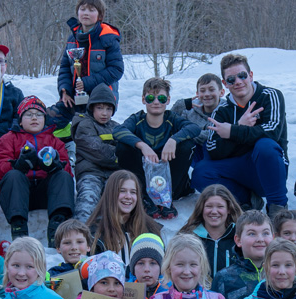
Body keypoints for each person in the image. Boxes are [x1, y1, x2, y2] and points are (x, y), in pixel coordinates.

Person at [191, 53, 289, 211]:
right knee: (201, 173)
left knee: (265, 145)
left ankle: (278, 208)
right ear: (225, 83)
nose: (237, 82)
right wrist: (240, 126)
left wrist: (232, 131)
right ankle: (245, 200)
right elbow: (213, 151)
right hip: (239, 169)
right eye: (231, 79)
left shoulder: (270, 96)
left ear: (250, 76)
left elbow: (272, 133)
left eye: (242, 76)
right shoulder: (222, 110)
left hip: (271, 171)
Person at [0, 96, 74, 242]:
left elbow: (67, 171)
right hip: (19, 195)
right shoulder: (9, 139)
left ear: (45, 119)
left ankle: (57, 227)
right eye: (29, 114)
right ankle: (19, 228)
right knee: (13, 176)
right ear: (20, 120)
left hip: (47, 194)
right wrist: (18, 165)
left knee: (62, 176)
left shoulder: (55, 141)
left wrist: (55, 166)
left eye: (39, 115)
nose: (34, 118)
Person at [118, 77, 201, 219]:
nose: (156, 102)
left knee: (187, 146)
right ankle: (144, 195)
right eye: (151, 98)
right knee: (122, 147)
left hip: (170, 178)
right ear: (143, 99)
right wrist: (142, 145)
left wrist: (173, 140)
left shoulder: (172, 118)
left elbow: (194, 128)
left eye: (161, 98)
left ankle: (167, 197)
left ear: (168, 100)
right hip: (144, 175)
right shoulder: (137, 119)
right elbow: (118, 131)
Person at [65, 83, 142, 221]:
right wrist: (123, 156)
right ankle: (82, 234)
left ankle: (118, 233)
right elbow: (99, 151)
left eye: (108, 108)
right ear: (91, 108)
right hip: (90, 173)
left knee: (119, 202)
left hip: (113, 175)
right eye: (100, 108)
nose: (104, 113)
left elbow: (128, 146)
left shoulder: (116, 127)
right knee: (87, 201)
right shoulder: (84, 124)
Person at [56, 0, 125, 106]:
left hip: (102, 100)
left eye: (91, 10)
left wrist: (86, 83)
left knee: (85, 123)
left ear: (100, 16)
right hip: (74, 97)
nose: (86, 13)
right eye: (82, 9)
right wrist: (65, 90)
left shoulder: (108, 38)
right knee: (49, 117)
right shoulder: (72, 39)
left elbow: (116, 70)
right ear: (77, 13)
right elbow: (65, 68)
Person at [86, 169, 162, 263]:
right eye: (122, 191)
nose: (128, 196)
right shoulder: (94, 232)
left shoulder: (150, 229)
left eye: (133, 192)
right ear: (110, 194)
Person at [178, 184, 243, 276]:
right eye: (209, 206)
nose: (214, 211)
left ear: (229, 209)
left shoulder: (240, 239)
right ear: (201, 209)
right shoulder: (187, 239)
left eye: (220, 206)